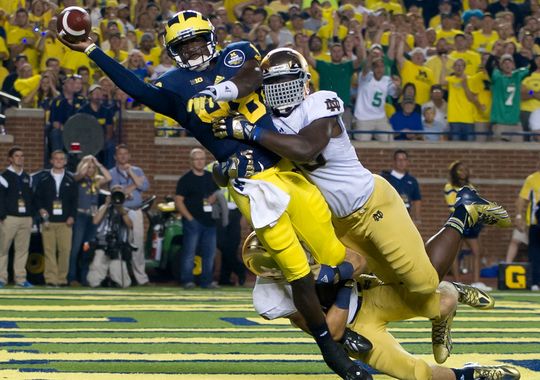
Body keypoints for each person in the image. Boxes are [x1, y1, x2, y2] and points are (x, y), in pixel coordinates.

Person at [59, 11, 369, 379]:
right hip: (249, 185)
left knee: (335, 257)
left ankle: (347, 309)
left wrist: (219, 92)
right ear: (173, 51)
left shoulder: (236, 54)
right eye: (183, 45)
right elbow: (137, 88)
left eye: (196, 41)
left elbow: (254, 74)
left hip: (286, 167)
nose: (192, 50)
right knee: (297, 271)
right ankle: (333, 352)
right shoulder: (173, 85)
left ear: (211, 37)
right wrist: (93, 49)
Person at [213, 47, 511, 365]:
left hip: (372, 204)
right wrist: (226, 165)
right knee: (392, 284)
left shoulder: (318, 102)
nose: (282, 88)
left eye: (289, 80)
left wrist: (251, 132)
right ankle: (446, 299)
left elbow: (306, 148)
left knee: (424, 282)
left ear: (304, 83)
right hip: (338, 222)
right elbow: (228, 171)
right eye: (275, 82)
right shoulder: (266, 124)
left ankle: (463, 211)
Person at [243, 233, 520, 380]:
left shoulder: (311, 238)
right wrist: (344, 283)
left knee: (444, 301)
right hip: (353, 326)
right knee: (415, 373)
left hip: (370, 294)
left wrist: (346, 278)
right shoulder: (268, 297)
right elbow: (328, 330)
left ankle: (452, 291)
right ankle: (470, 375)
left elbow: (360, 262)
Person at [175, 148, 219, 289]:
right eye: (197, 159)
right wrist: (189, 219)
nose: (200, 161)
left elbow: (217, 194)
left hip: (210, 222)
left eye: (202, 158)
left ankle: (206, 282)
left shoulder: (211, 176)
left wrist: (214, 198)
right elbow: (178, 201)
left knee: (209, 253)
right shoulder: (185, 179)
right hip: (193, 222)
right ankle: (187, 281)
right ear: (191, 161)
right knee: (189, 252)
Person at [34, 150, 78, 287]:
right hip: (48, 221)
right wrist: (41, 210)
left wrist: (72, 216)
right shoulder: (43, 179)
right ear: (51, 161)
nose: (58, 161)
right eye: (56, 159)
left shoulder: (71, 179)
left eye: (61, 159)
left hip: (65, 222)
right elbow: (37, 198)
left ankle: (62, 279)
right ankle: (51, 279)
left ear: (65, 162)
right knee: (49, 251)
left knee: (65, 251)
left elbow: (75, 201)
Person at [444, 161, 489, 290]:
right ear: (455, 172)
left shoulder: (470, 186)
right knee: (455, 253)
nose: (463, 172)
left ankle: (476, 282)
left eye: (465, 170)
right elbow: (453, 205)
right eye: (460, 170)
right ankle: (458, 283)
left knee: (477, 251)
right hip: (457, 219)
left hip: (470, 221)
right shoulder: (449, 186)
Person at [109, 144, 150, 286]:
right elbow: (117, 192)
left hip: (136, 211)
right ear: (116, 157)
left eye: (125, 153)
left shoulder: (137, 170)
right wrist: (134, 185)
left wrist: (131, 173)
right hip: (120, 211)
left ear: (129, 156)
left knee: (137, 243)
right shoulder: (112, 172)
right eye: (120, 154)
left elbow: (144, 187)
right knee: (120, 243)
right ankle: (123, 280)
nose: (123, 156)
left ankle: (141, 279)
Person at [68, 155, 112, 286]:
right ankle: (71, 278)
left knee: (87, 248)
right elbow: (78, 175)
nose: (90, 169)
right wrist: (86, 163)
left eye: (93, 167)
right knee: (75, 248)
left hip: (92, 218)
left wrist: (98, 164)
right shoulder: (77, 178)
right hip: (80, 216)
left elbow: (109, 177)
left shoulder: (96, 181)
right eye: (88, 166)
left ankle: (84, 278)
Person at [0, 147, 34, 288]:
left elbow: (31, 198)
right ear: (10, 159)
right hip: (9, 218)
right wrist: (2, 216)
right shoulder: (4, 176)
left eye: (22, 156)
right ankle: (1, 278)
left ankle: (20, 279)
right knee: (3, 249)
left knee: (22, 250)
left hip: (25, 218)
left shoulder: (28, 177)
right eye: (17, 156)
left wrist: (31, 215)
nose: (20, 158)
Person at [87, 185, 133, 288]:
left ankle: (115, 281)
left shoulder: (127, 210)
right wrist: (106, 204)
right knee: (95, 273)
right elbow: (95, 221)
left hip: (118, 245)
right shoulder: (104, 208)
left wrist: (120, 208)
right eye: (114, 194)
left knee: (122, 281)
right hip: (102, 243)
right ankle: (98, 283)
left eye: (119, 193)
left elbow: (130, 225)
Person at [352, 52, 400, 142]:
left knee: (389, 140)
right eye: (377, 66)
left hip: (380, 118)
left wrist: (398, 86)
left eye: (382, 66)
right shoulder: (365, 77)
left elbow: (395, 94)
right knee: (363, 143)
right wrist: (370, 57)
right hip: (363, 118)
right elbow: (366, 68)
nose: (379, 69)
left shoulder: (387, 80)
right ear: (372, 68)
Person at [515, 158, 540, 291]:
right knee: (535, 252)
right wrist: (519, 216)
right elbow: (521, 198)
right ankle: (535, 281)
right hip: (535, 222)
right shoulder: (532, 179)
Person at [381, 150, 422, 226]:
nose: (401, 162)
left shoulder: (412, 180)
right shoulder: (386, 178)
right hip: (389, 217)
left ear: (407, 162)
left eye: (404, 160)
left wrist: (417, 218)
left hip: (406, 217)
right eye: (399, 160)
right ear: (394, 161)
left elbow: (417, 200)